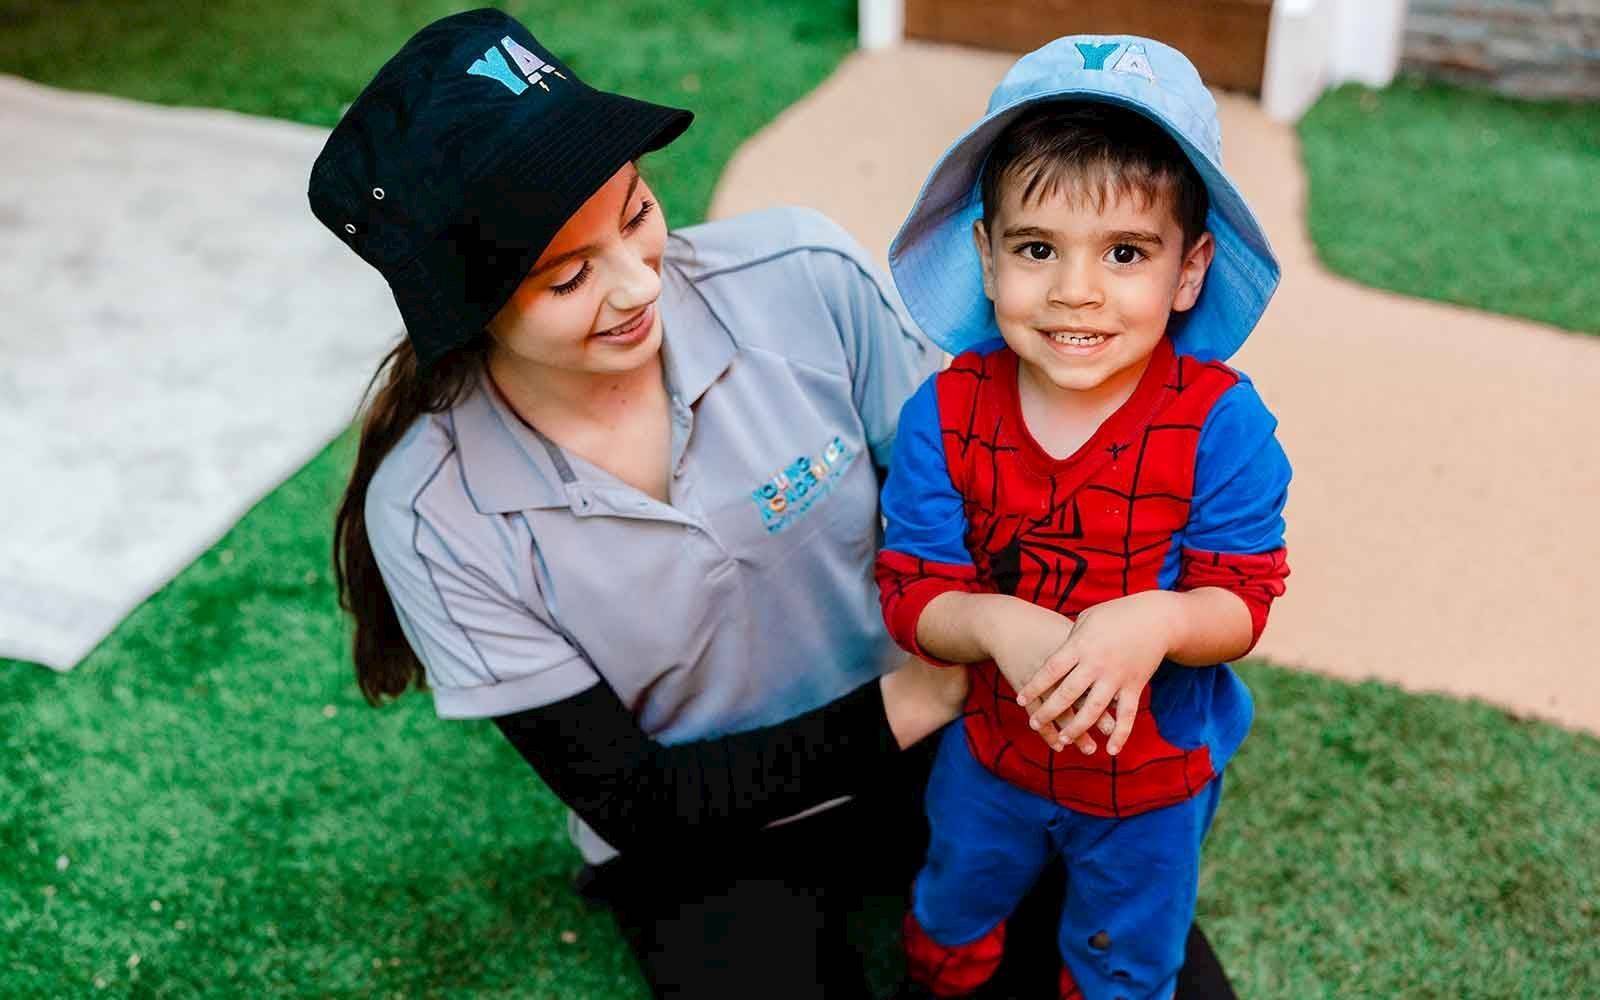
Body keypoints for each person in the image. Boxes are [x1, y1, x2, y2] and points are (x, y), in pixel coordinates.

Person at [308, 9, 1243, 998]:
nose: (637, 285)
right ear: (465, 312)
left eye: (634, 213)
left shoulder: (801, 276)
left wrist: (1096, 633)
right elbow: (640, 801)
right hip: (716, 829)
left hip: (960, 747)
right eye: (568, 275)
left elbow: (985, 504)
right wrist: (925, 690)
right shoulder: (430, 512)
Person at [875, 37, 1291, 1000]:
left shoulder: (1223, 425)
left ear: (1189, 271)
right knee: (953, 911)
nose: (1076, 290)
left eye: (1126, 252)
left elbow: (1244, 600)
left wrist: (1159, 619)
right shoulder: (945, 412)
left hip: (1151, 784)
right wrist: (987, 620)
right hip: (989, 755)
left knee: (1126, 955)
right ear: (985, 254)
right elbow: (911, 590)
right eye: (1036, 249)